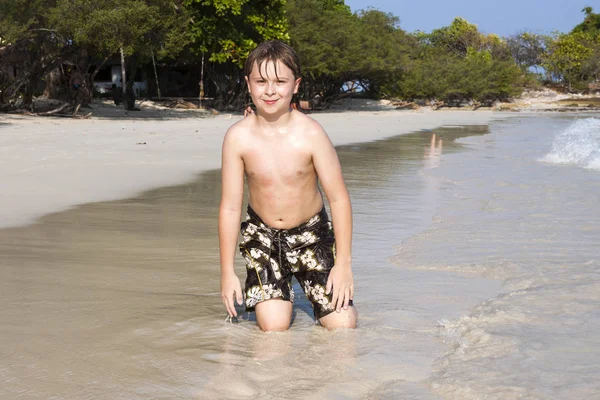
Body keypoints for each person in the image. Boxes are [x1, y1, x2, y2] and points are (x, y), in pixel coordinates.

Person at [219, 40, 358, 331]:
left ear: (295, 85)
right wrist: (227, 272)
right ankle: (279, 296)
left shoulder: (311, 133)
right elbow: (231, 207)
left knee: (343, 325)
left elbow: (339, 199)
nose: (270, 90)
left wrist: (343, 264)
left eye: (280, 81)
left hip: (311, 236)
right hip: (263, 239)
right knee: (273, 327)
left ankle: (307, 289)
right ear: (248, 84)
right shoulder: (238, 137)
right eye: (261, 81)